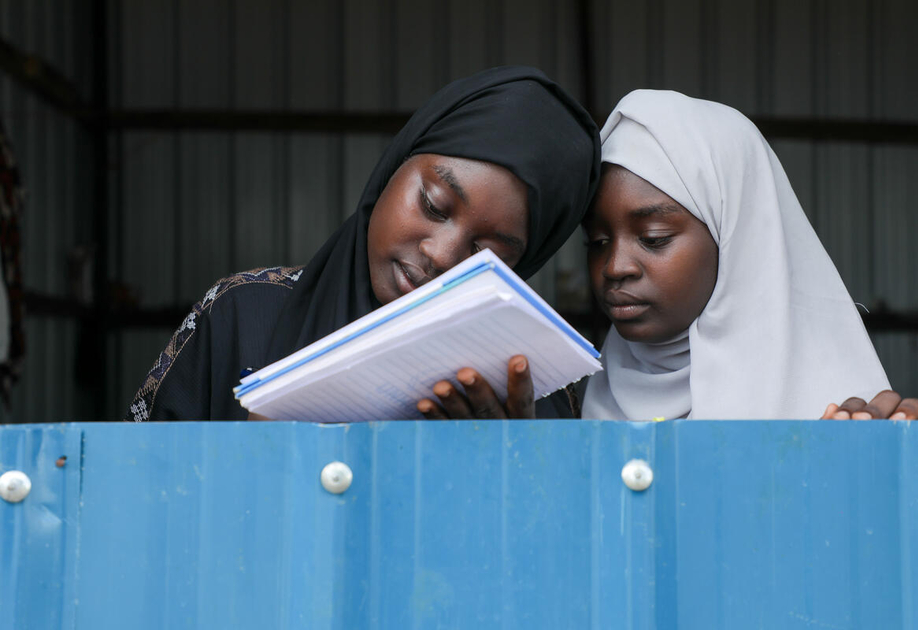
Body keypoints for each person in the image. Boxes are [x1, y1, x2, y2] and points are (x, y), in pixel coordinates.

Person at [124, 66, 600, 422]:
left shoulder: (531, 395)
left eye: (487, 254)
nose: (441, 255)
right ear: (395, 165)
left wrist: (514, 470)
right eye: (434, 205)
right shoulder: (241, 317)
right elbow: (131, 494)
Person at [580, 89, 918, 420]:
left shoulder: (843, 416)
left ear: (737, 235)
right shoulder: (586, 397)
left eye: (653, 237)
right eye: (597, 241)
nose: (615, 267)